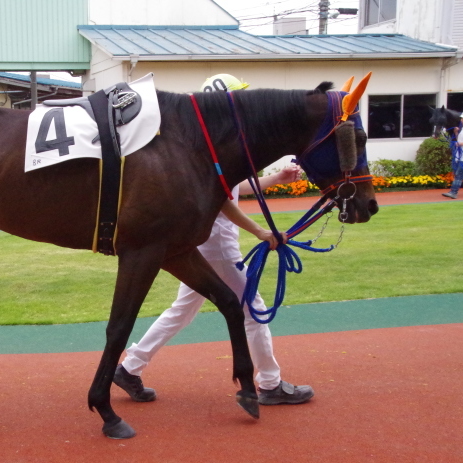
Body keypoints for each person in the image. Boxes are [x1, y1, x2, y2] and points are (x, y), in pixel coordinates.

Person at [113, 75, 314, 406]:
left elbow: (236, 188)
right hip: (216, 244)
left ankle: (130, 367)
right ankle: (269, 383)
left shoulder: (209, 141)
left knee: (183, 310)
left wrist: (276, 178)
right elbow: (223, 200)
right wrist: (261, 232)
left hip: (205, 242)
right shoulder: (209, 146)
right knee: (252, 309)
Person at [442, 111, 463, 199]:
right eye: (462, 119)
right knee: (458, 174)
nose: (462, 120)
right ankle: (453, 192)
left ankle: (453, 192)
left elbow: (461, 142)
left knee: (459, 174)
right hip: (460, 156)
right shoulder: (462, 129)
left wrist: (459, 144)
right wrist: (455, 133)